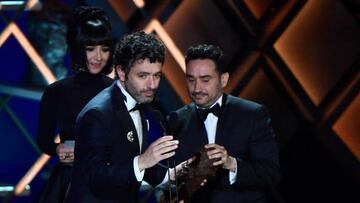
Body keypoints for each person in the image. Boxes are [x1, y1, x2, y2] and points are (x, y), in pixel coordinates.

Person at [64, 31, 179, 203]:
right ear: (122, 72)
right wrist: (141, 161)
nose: (152, 85)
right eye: (143, 76)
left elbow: (128, 160)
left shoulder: (140, 102)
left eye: (156, 75)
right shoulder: (97, 114)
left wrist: (174, 174)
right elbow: (95, 177)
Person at [169, 44, 281, 202]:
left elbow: (270, 173)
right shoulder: (176, 120)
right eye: (191, 79)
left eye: (205, 80)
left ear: (223, 80)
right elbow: (171, 187)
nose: (196, 88)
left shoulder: (252, 114)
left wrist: (231, 163)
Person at [36, 6, 114, 203]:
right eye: (91, 49)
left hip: (108, 181)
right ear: (79, 48)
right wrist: (57, 150)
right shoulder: (57, 92)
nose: (98, 56)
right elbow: (43, 139)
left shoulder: (118, 91)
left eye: (104, 49)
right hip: (69, 181)